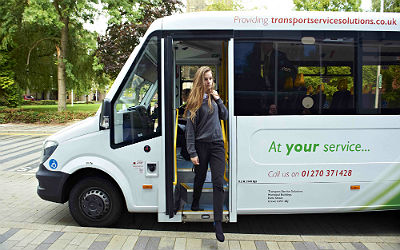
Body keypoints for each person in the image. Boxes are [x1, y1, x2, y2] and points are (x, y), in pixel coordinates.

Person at [184, 66, 228, 242]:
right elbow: (190, 130)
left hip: (217, 145)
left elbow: (224, 116)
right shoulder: (194, 101)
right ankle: (195, 202)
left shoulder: (215, 98)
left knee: (218, 182)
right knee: (200, 177)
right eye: (206, 79)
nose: (209, 82)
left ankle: (218, 222)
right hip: (201, 146)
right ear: (199, 81)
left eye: (211, 79)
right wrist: (192, 152)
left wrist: (219, 100)